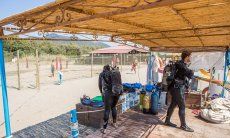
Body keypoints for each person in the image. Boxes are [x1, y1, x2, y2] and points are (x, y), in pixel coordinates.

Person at [165, 51, 194, 132]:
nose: (191, 58)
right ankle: (183, 126)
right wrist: (192, 71)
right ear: (187, 56)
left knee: (173, 104)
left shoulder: (180, 64)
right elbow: (190, 75)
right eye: (190, 56)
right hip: (177, 88)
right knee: (182, 106)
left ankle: (167, 121)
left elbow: (184, 77)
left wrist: (187, 86)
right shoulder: (181, 65)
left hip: (175, 88)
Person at [98, 65, 122, 134]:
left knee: (107, 110)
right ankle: (114, 123)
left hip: (108, 94)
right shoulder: (114, 73)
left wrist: (101, 92)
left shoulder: (102, 74)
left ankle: (104, 128)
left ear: (104, 69)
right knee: (113, 107)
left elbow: (100, 85)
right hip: (116, 93)